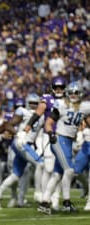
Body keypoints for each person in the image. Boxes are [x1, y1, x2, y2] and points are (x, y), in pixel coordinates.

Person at [39, 82, 90, 214]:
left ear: (80, 94)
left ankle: (44, 203)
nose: (73, 95)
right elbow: (48, 123)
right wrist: (50, 134)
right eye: (71, 92)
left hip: (68, 142)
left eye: (76, 93)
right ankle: (66, 203)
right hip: (59, 139)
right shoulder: (61, 105)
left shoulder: (85, 107)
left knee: (57, 174)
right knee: (69, 170)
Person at [22, 77, 67, 206]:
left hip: (64, 136)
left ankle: (55, 198)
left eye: (61, 88)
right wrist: (28, 126)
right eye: (57, 87)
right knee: (48, 167)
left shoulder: (68, 100)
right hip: (49, 135)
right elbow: (37, 113)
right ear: (53, 87)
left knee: (60, 169)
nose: (59, 90)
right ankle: (43, 196)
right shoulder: (47, 99)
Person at [0, 93, 44, 201]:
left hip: (28, 144)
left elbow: (39, 134)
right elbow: (8, 125)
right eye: (31, 103)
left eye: (36, 103)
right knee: (40, 164)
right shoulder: (23, 111)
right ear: (27, 103)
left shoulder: (42, 115)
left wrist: (40, 147)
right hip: (21, 143)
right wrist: (18, 134)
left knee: (16, 174)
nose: (34, 105)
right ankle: (39, 192)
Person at [74, 114, 90, 211]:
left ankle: (89, 202)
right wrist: (79, 133)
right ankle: (85, 186)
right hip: (85, 147)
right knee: (75, 172)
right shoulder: (82, 122)